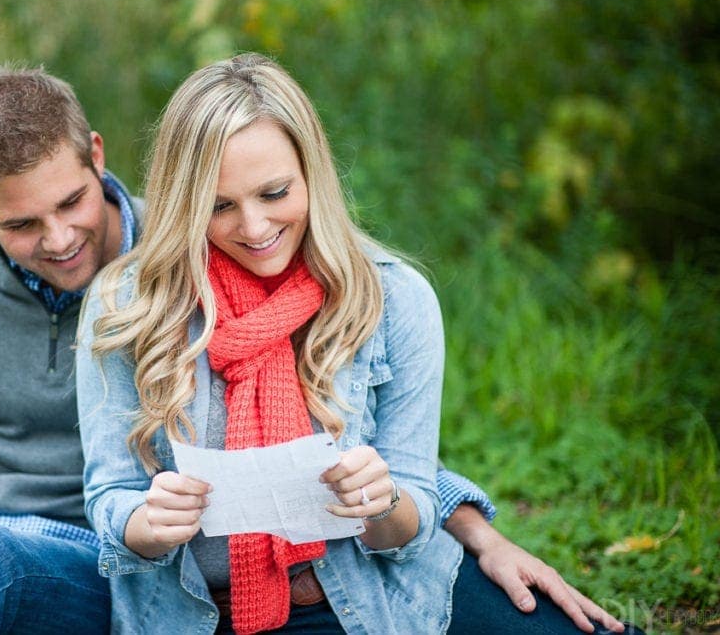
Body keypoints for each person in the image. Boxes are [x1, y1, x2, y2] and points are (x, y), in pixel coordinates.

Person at [0, 65, 622, 634]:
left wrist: (473, 527)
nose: (60, 237)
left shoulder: (215, 262)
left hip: (101, 547)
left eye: (74, 204)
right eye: (23, 223)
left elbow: (363, 432)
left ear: (99, 159)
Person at [77, 54, 639, 634]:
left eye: (275, 193)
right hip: (199, 614)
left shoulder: (394, 297)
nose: (253, 227)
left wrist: (383, 502)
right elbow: (110, 495)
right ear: (183, 200)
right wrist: (146, 522)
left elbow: (412, 515)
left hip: (375, 597)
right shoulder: (128, 303)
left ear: (312, 172)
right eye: (218, 206)